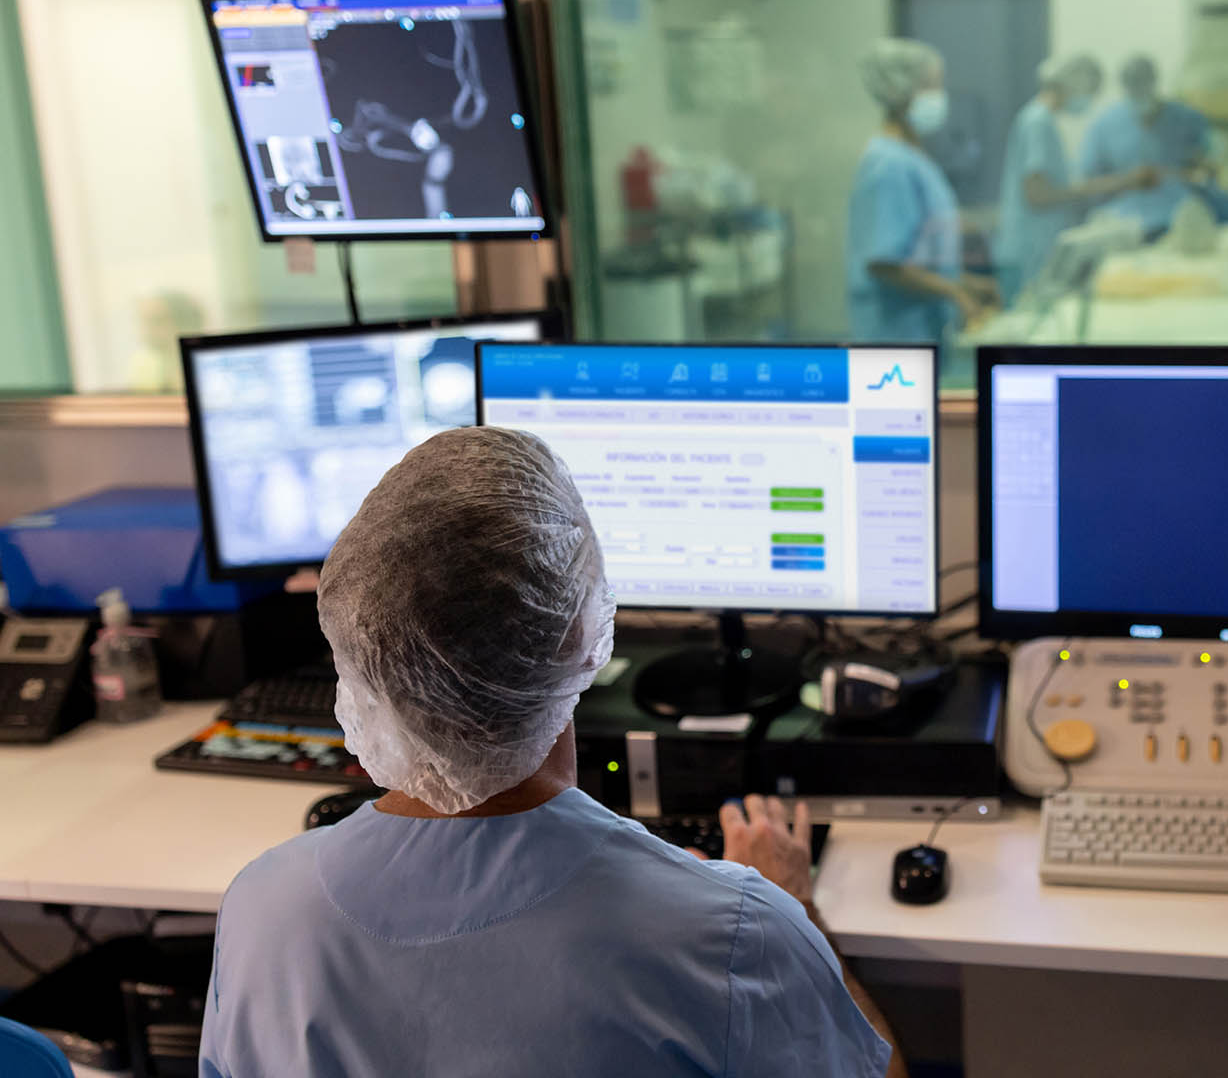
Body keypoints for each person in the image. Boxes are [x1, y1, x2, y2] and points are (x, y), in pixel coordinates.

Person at [199, 427, 903, 1078]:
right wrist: (796, 906)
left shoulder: (264, 910)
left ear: (361, 652)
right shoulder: (734, 936)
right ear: (582, 634)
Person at [845, 37, 994, 341]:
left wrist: (962, 282)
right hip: (895, 335)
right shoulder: (887, 165)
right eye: (930, 86)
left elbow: (920, 253)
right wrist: (953, 291)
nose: (939, 97)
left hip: (922, 327)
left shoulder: (911, 157)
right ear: (899, 92)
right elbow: (884, 264)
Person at [992, 54, 1158, 307]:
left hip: (1037, 247)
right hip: (1029, 251)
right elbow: (1037, 194)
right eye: (1090, 91)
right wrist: (1117, 183)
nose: (1088, 99)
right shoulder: (1038, 122)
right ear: (1072, 85)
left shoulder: (1043, 121)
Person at [1077, 54, 1228, 236]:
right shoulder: (1105, 125)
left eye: (1143, 84)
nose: (1139, 92)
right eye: (1133, 87)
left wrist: (1189, 173)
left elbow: (1211, 160)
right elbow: (1089, 183)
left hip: (1181, 213)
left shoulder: (1187, 118)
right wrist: (1129, 180)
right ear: (1124, 87)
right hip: (1125, 218)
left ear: (1154, 82)